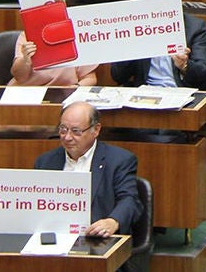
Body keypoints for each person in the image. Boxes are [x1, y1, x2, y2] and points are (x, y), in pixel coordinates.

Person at [33, 102, 141, 238]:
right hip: (55, 237)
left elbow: (129, 200)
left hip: (96, 238)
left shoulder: (119, 160)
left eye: (76, 131)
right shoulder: (45, 162)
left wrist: (113, 221)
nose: (67, 137)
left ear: (95, 130)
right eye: (63, 129)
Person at [110, 0, 206, 91]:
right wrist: (134, 46)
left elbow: (205, 74)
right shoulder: (134, 29)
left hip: (181, 92)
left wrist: (185, 66)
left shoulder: (195, 28)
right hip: (146, 93)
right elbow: (118, 76)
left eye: (166, 4)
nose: (162, 12)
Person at [11, 33, 97, 87]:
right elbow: (20, 77)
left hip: (64, 92)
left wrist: (75, 87)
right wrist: (25, 59)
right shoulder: (27, 36)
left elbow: (90, 78)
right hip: (29, 91)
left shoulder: (78, 36)